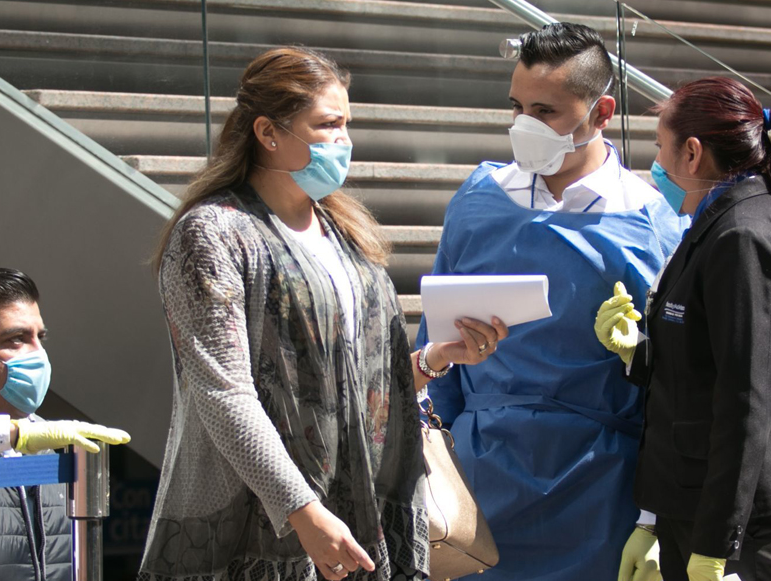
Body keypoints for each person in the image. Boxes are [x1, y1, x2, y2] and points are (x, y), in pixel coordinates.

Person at [138, 47, 507, 581]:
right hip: (264, 528)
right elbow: (224, 394)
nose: (344, 141)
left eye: (346, 124)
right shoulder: (214, 234)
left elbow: (355, 391)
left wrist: (433, 360)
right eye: (328, 124)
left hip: (356, 521)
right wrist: (302, 510)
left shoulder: (345, 234)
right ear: (268, 132)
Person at [415, 23, 687, 581]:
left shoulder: (650, 220)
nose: (525, 126)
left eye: (545, 112)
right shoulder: (478, 200)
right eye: (517, 108)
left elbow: (677, 384)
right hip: (479, 481)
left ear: (602, 112)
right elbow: (434, 349)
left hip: (601, 487)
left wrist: (658, 517)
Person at [599, 77, 771, 581]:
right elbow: (700, 372)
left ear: (692, 153)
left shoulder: (742, 234)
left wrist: (713, 548)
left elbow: (745, 400)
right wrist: (638, 353)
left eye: (660, 146)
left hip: (745, 524)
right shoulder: (718, 223)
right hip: (704, 509)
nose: (655, 163)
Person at [0, 266, 131, 581]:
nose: (39, 355)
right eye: (16, 339)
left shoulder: (53, 450)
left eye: (40, 338)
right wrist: (18, 435)